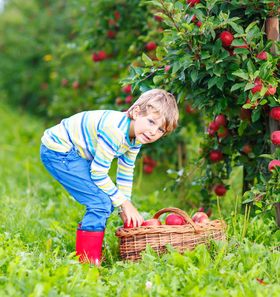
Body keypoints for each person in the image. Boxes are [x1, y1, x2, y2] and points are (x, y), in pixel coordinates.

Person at [40, 89, 179, 265]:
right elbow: (98, 174)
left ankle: (89, 254)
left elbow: (125, 171)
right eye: (151, 121)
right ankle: (88, 261)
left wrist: (123, 207)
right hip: (59, 151)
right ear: (136, 112)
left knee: (106, 201)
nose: (153, 132)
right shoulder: (115, 132)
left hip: (76, 154)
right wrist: (125, 204)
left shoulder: (136, 136)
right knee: (100, 203)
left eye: (160, 129)